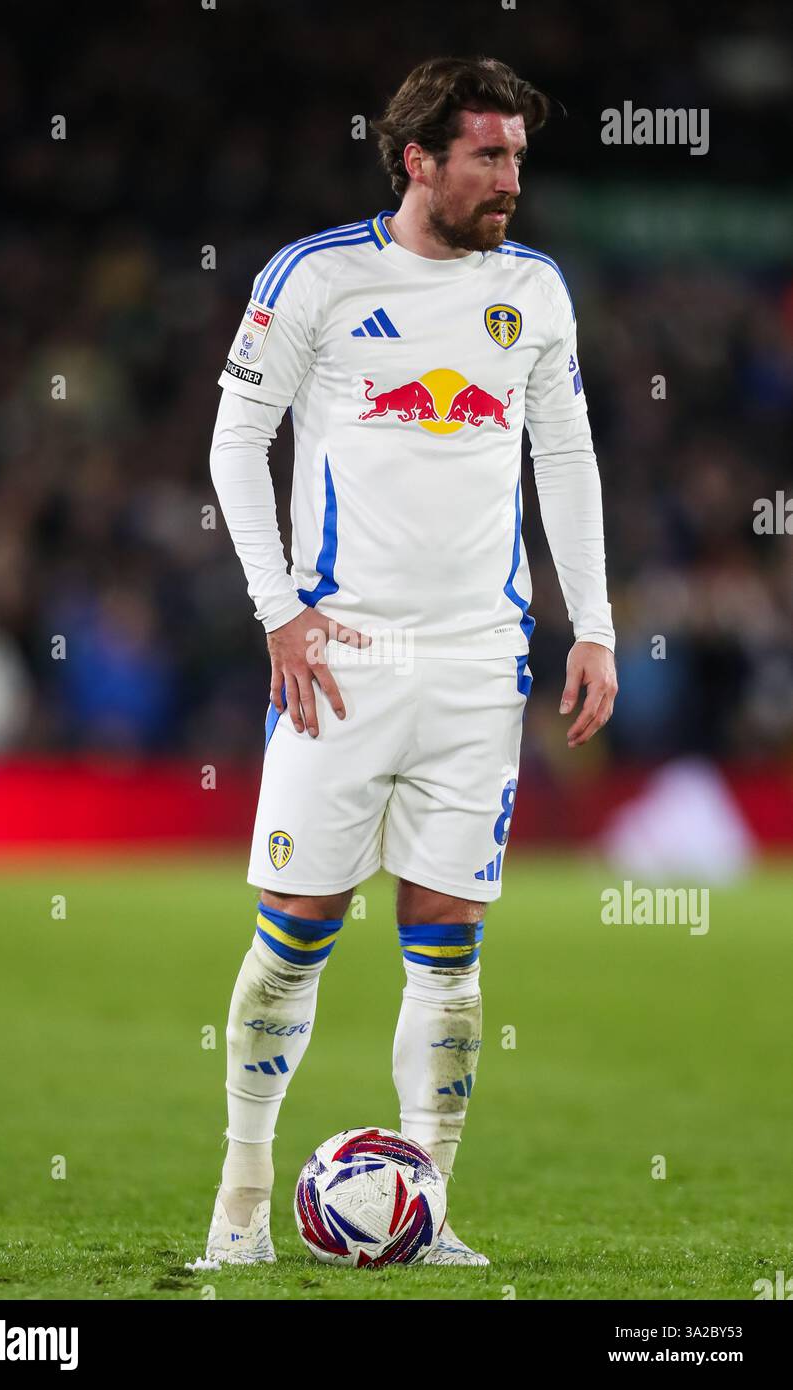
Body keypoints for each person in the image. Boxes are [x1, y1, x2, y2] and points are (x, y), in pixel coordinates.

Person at [187, 54, 617, 1270]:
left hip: (481, 664)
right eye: (486, 156)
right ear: (417, 159)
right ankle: (240, 1208)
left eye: (517, 159)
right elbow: (235, 442)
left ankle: (427, 1212)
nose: (508, 181)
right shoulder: (318, 276)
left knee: (448, 946)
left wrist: (588, 622)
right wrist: (278, 609)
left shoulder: (531, 291)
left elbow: (567, 459)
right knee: (294, 930)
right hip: (341, 658)